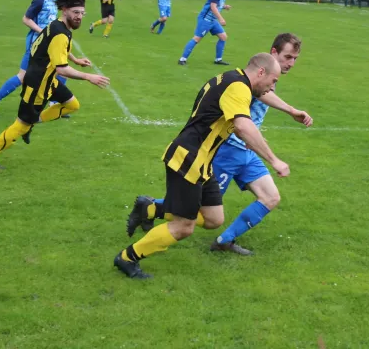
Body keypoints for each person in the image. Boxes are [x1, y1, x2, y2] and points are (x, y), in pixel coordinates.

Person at [127, 33, 313, 255]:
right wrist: (288, 115)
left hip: (248, 150)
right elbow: (257, 103)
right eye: (288, 56)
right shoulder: (254, 80)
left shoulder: (266, 78)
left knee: (270, 197)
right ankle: (149, 208)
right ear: (273, 53)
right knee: (202, 213)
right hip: (228, 149)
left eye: (295, 59)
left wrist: (288, 113)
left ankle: (225, 240)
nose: (291, 63)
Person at [113, 53, 287, 279]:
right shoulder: (238, 87)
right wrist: (274, 160)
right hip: (189, 159)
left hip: (203, 162)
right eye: (273, 81)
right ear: (261, 72)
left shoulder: (232, 79)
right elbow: (243, 126)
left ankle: (148, 208)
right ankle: (127, 258)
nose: (272, 87)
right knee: (184, 227)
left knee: (214, 219)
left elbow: (238, 127)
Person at [0, 0, 110, 169]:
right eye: (75, 12)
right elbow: (61, 69)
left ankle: (34, 121)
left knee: (72, 105)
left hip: (48, 81)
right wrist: (88, 76)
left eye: (82, 13)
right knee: (21, 124)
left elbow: (57, 50)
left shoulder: (57, 26)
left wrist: (76, 60)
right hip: (37, 85)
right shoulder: (61, 33)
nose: (79, 17)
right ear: (64, 10)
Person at [0, 0, 87, 119]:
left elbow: (59, 39)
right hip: (36, 47)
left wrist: (75, 59)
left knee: (60, 71)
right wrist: (43, 32)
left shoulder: (57, 1)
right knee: (23, 77)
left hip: (50, 47)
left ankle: (54, 104)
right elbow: (26, 19)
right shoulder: (40, 0)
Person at [178, 0, 232, 66]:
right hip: (205, 19)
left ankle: (218, 59)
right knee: (196, 39)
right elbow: (213, 7)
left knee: (223, 37)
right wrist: (221, 18)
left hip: (213, 20)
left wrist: (224, 6)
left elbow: (218, 5)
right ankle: (182, 59)